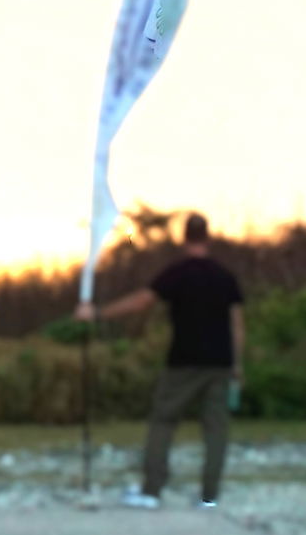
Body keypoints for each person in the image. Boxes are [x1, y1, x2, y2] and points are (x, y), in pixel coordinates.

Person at [75, 212, 245, 508]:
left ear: (184, 238)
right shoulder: (224, 276)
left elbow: (142, 301)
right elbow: (237, 324)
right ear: (208, 237)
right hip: (219, 362)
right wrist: (237, 363)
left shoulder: (176, 274)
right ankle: (209, 497)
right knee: (216, 429)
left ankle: (152, 490)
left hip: (183, 360)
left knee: (163, 422)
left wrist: (99, 313)